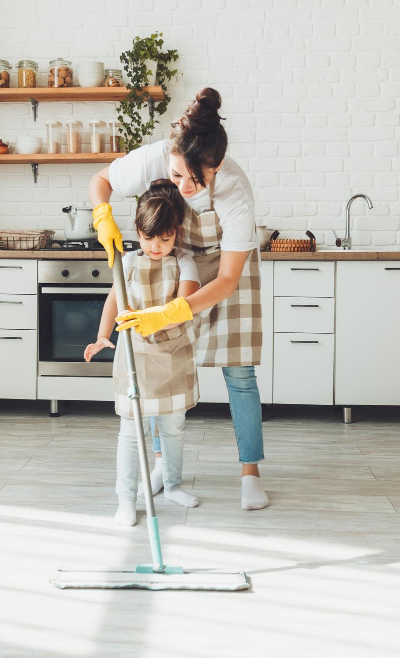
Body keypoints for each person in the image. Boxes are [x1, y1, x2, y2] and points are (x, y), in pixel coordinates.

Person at [90, 87, 270, 511]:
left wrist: (174, 311)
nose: (186, 188)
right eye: (176, 177)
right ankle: (160, 465)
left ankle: (250, 474)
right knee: (159, 366)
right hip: (169, 259)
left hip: (227, 270)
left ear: (217, 165)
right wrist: (102, 215)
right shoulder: (155, 156)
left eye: (197, 179)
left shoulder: (234, 190)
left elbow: (227, 278)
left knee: (239, 373)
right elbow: (100, 180)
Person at [84, 179, 201, 527]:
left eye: (165, 239)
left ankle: (174, 485)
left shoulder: (185, 262)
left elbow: (187, 302)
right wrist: (103, 335)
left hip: (173, 355)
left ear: (176, 234)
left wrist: (161, 316)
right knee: (130, 432)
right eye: (149, 238)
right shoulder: (127, 261)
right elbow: (113, 299)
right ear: (138, 231)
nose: (156, 246)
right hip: (134, 356)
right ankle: (126, 499)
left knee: (173, 427)